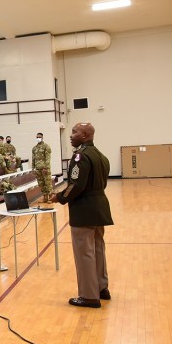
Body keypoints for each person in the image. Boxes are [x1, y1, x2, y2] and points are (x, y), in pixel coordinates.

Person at [51, 123, 113, 309]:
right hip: (99, 207)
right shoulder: (101, 156)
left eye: (74, 132)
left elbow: (76, 184)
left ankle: (88, 295)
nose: (71, 135)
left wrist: (60, 197)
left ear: (85, 135)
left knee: (84, 252)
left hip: (84, 209)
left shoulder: (80, 156)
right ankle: (102, 288)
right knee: (98, 249)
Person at [32, 132, 53, 202]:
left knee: (48, 183)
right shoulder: (34, 148)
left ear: (42, 137)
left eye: (39, 137)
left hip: (45, 168)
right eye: (37, 137)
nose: (38, 138)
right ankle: (45, 196)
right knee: (41, 183)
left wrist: (46, 168)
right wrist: (33, 168)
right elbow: (33, 159)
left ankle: (50, 197)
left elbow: (48, 158)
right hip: (37, 169)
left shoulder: (46, 146)